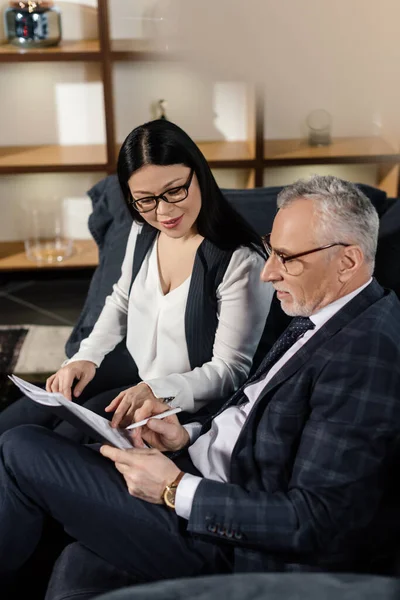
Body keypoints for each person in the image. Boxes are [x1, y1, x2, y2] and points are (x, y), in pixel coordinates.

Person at [1, 175, 400, 600]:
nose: (268, 273)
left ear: (348, 261)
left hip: (228, 542)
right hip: (196, 469)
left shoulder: (367, 354)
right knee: (63, 465)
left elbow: (316, 521)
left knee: (22, 447)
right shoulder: (326, 313)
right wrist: (186, 435)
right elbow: (253, 412)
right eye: (272, 252)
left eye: (286, 258)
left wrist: (175, 488)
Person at [0, 119, 272, 438]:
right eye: (146, 199)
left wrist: (156, 390)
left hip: (183, 408)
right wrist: (86, 357)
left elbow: (230, 371)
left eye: (175, 190)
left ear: (200, 175)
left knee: (43, 444)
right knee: (18, 421)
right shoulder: (143, 231)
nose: (163, 212)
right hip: (133, 380)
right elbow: (121, 300)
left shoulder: (240, 259)